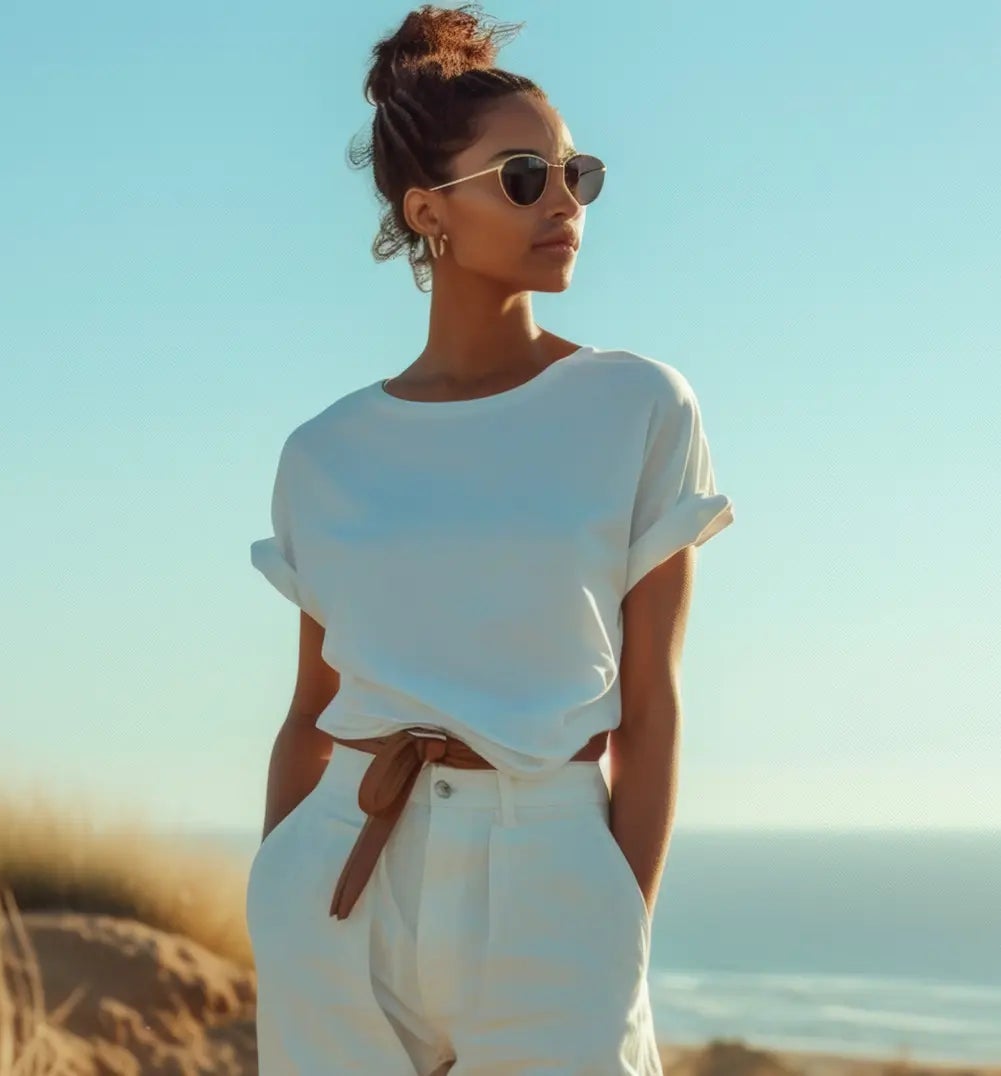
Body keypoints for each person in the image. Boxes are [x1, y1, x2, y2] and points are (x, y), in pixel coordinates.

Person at [243, 4, 734, 1072]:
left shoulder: (638, 405)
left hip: (551, 876)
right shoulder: (326, 451)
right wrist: (273, 892)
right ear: (431, 211)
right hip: (338, 880)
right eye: (523, 177)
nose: (564, 202)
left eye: (575, 174)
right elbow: (307, 712)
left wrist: (617, 925)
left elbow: (651, 707)